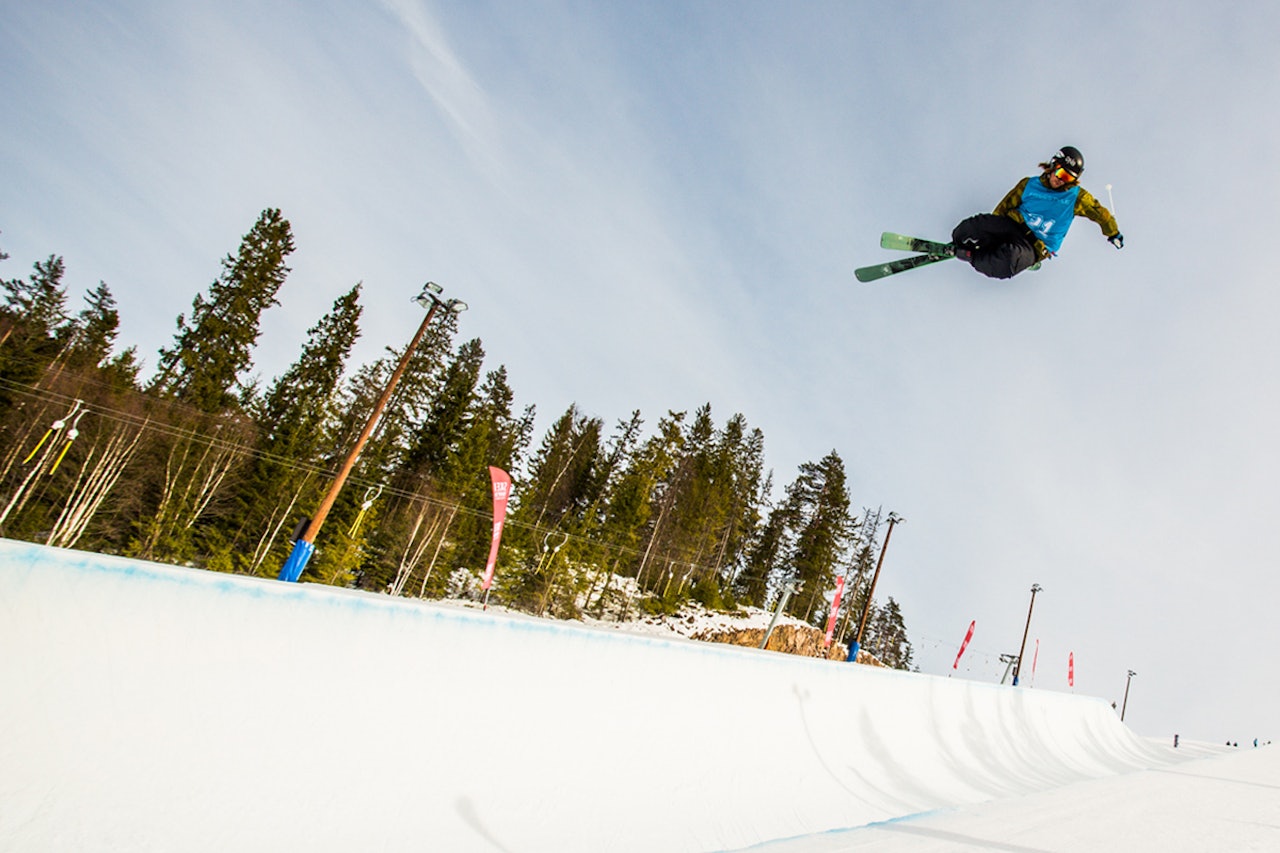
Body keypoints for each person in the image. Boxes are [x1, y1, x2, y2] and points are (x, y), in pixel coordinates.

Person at [952, 146, 1124, 279]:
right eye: (1060, 172)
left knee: (1009, 261)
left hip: (1034, 246)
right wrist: (990, 233)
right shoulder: (1029, 185)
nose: (1059, 179)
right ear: (1052, 165)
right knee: (976, 224)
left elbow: (1101, 214)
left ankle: (972, 256)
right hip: (1013, 226)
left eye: (1067, 178)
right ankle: (959, 241)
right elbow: (1003, 207)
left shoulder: (1076, 198)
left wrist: (1113, 233)